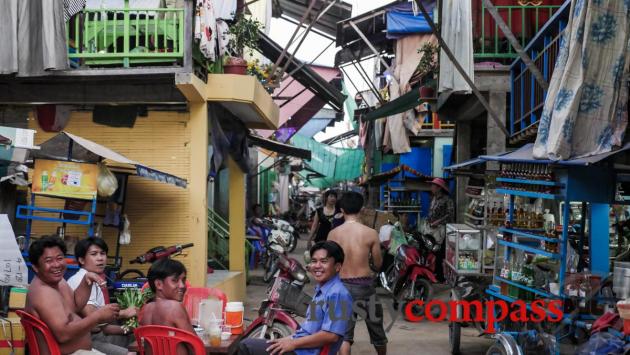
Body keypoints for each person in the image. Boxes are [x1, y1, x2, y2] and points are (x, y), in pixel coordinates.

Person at [238, 241, 353, 355]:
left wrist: (293, 343)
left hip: (306, 352)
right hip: (301, 348)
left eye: (324, 261)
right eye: (314, 261)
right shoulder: (323, 291)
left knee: (245, 346)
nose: (317, 266)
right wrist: (288, 339)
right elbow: (309, 330)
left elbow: (331, 335)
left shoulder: (337, 293)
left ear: (337, 267)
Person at [25, 236, 120, 355]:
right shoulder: (43, 293)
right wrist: (98, 316)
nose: (56, 265)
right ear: (35, 267)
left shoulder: (58, 281)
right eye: (48, 261)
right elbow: (63, 335)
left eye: (59, 258)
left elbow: (75, 305)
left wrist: (86, 282)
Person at [327, 191, 387, 355]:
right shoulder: (371, 233)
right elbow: (378, 263)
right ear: (361, 209)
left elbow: (329, 265)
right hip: (365, 287)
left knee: (344, 336)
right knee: (377, 331)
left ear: (342, 210)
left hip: (341, 287)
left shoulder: (333, 234)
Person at [67, 238, 135, 355]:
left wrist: (129, 329)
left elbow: (104, 327)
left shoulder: (95, 280)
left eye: (102, 253)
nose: (100, 258)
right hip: (87, 341)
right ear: (81, 259)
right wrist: (125, 312)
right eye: (94, 254)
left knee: (137, 339)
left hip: (99, 336)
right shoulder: (81, 280)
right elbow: (93, 316)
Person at [427, 178, 454, 283]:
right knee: (430, 252)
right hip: (431, 230)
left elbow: (450, 216)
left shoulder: (447, 200)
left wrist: (438, 222)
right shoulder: (433, 199)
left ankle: (440, 277)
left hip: (442, 231)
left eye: (433, 186)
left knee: (440, 254)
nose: (431, 188)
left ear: (439, 188)